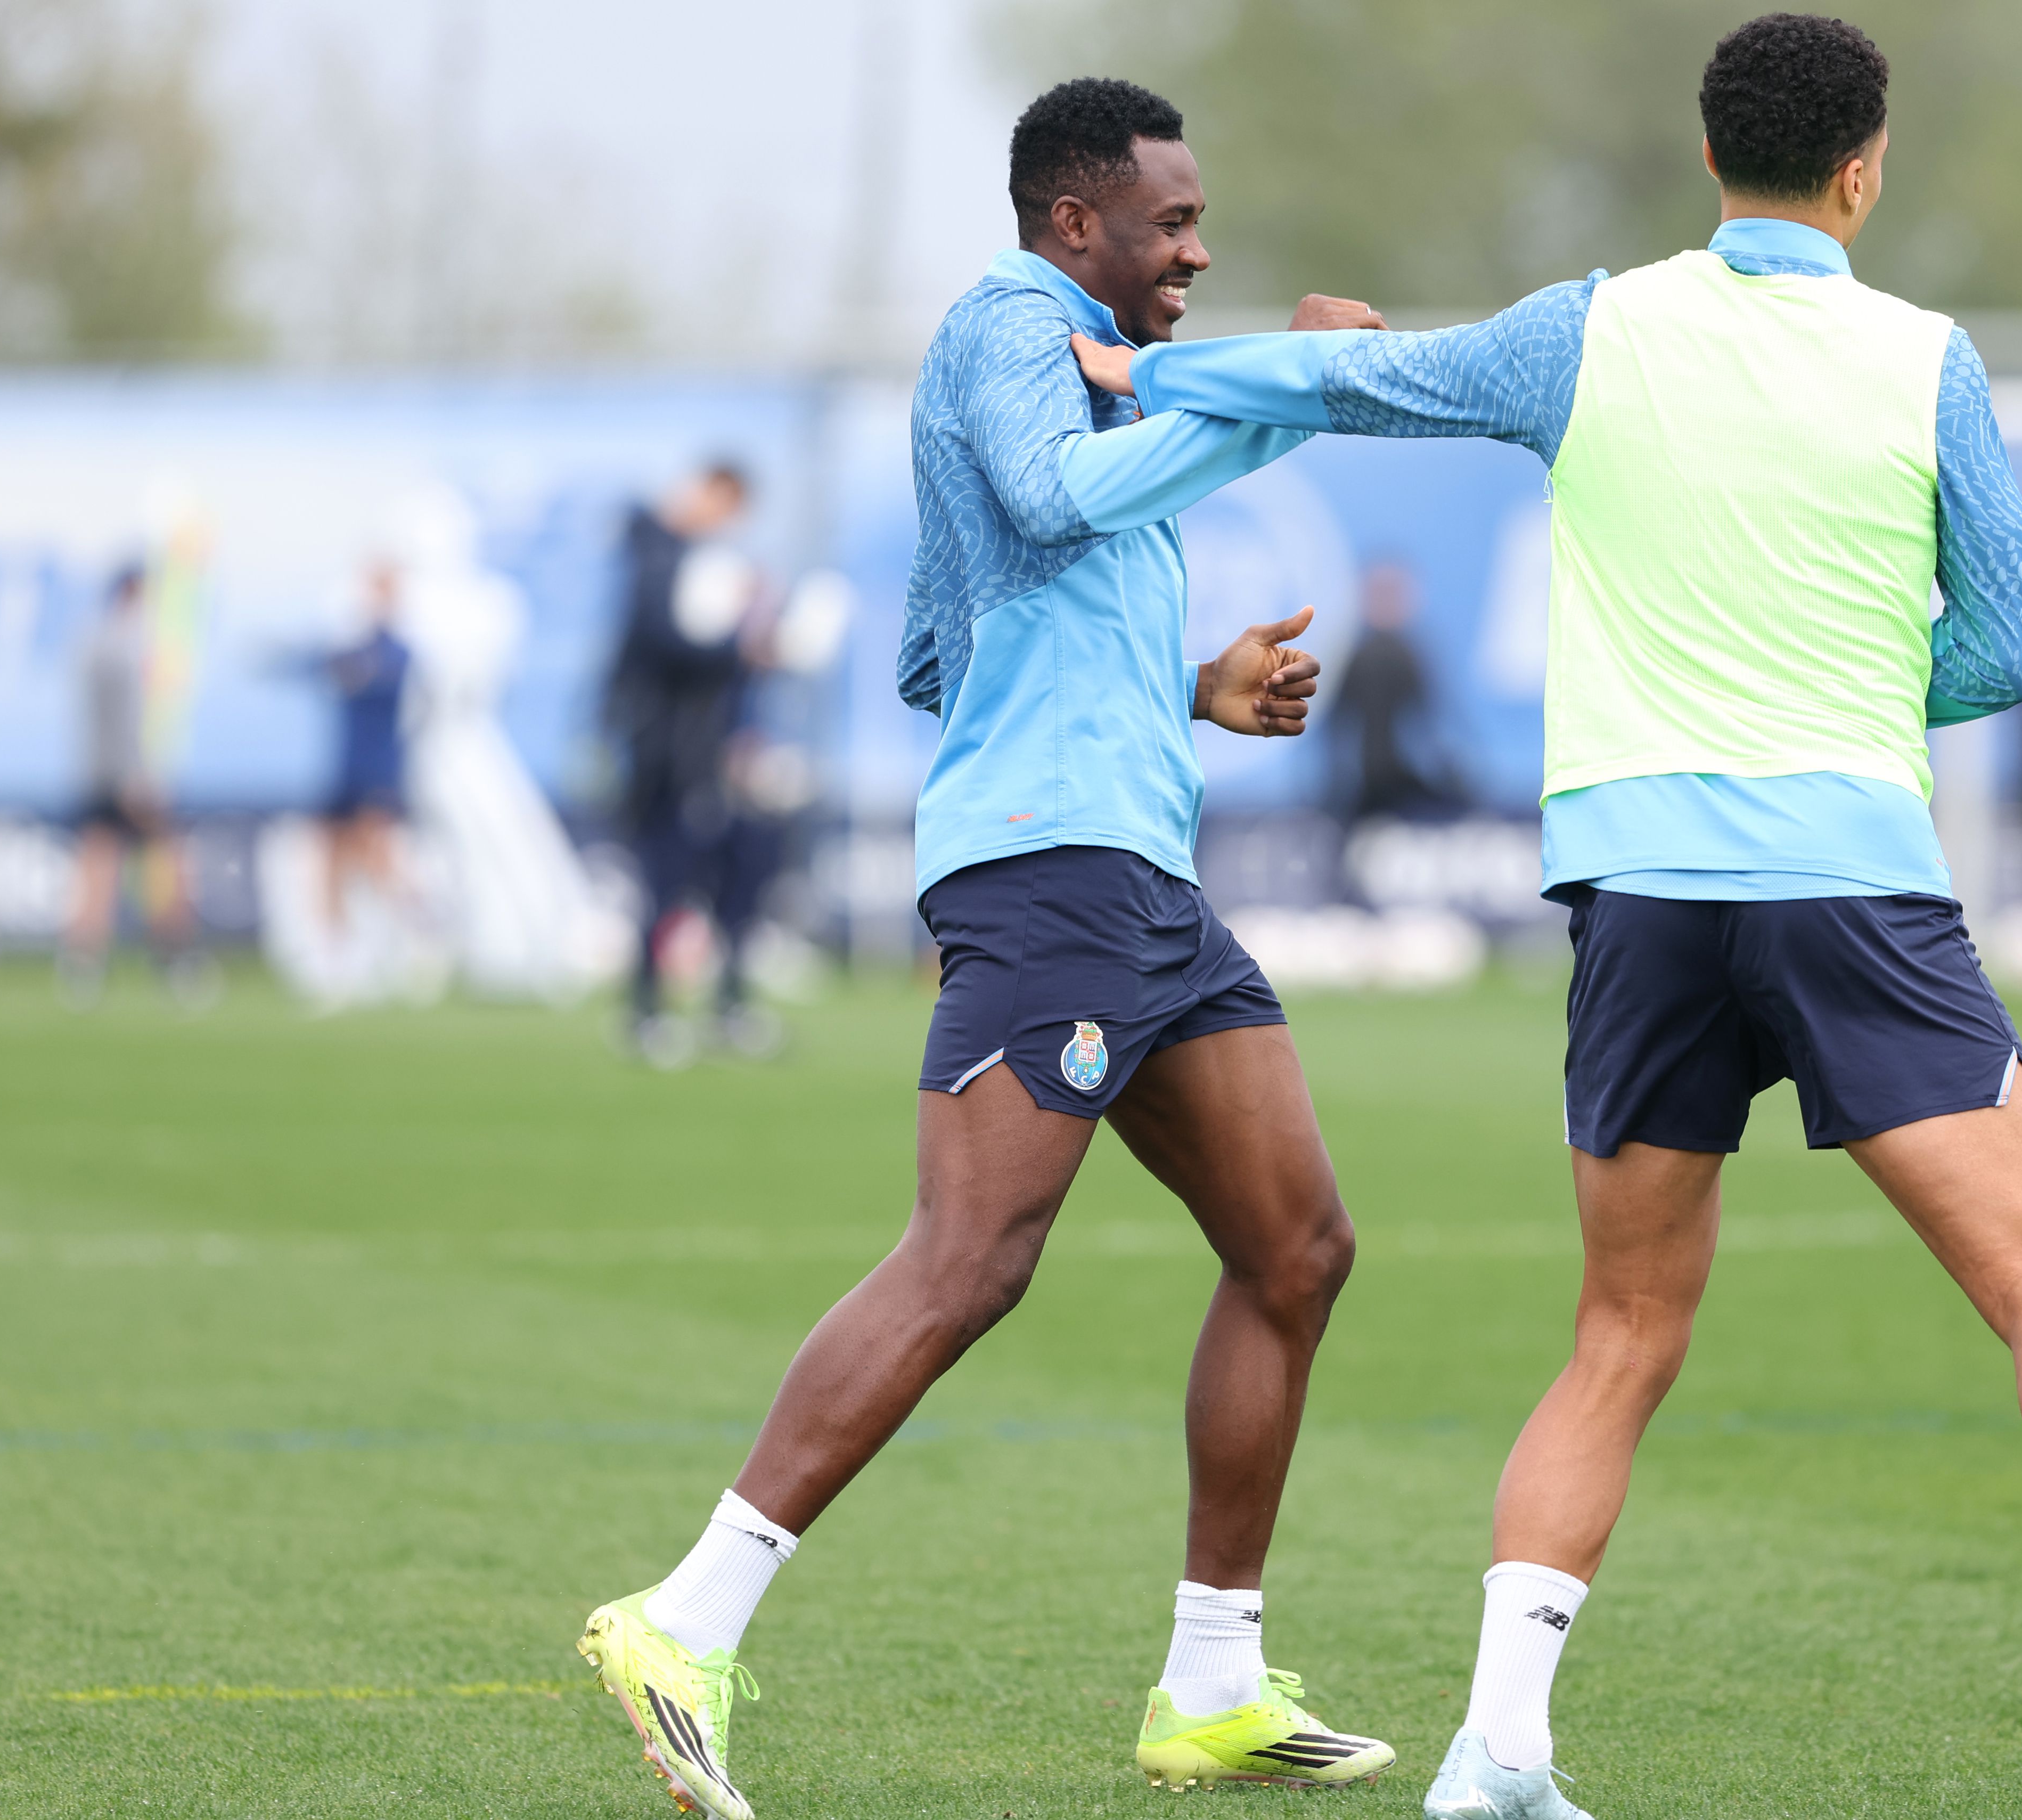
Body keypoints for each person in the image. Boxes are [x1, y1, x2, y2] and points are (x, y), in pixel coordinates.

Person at [1076, 16, 2022, 1815]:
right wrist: (1850, 695)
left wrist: (1140, 366)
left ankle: (1497, 1747)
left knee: (1618, 1335)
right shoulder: (1925, 359)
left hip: (1640, 899)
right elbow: (2007, 646)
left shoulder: (1589, 328)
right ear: (1863, 168)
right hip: (1849, 882)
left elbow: (1358, 383)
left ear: (1709, 155)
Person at [573, 78, 1394, 1820]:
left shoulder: (1087, 365)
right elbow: (1048, 494)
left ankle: (1213, 1685)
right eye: (1171, 222)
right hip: (1051, 875)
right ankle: (680, 1621)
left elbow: (966, 647)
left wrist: (1188, 686)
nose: (1197, 250)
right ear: (1074, 221)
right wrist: (1294, 390)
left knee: (1296, 1246)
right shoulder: (1009, 325)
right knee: (969, 1259)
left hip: (1138, 877)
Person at [601, 460, 771, 1064]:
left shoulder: (698, 558)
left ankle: (727, 1007)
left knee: (736, 872)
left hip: (707, 748)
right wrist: (737, 641)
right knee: (666, 876)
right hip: (667, 752)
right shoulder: (658, 553)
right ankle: (648, 1011)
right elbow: (665, 641)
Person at [59, 562, 206, 1007]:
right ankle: (173, 957)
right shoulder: (119, 646)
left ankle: (83, 964)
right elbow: (122, 723)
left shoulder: (98, 641)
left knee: (102, 866)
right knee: (159, 864)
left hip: (100, 774)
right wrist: (135, 777)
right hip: (123, 778)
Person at [320, 560, 415, 936]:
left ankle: (411, 930)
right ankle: (336, 944)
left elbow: (372, 676)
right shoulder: (351, 646)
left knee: (377, 849)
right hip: (350, 765)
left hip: (380, 765)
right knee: (335, 850)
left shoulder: (399, 652)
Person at [1328, 560, 1461, 821]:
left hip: (1392, 785)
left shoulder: (1404, 654)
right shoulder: (1365, 656)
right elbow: (1338, 729)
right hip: (1373, 788)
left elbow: (1430, 729)